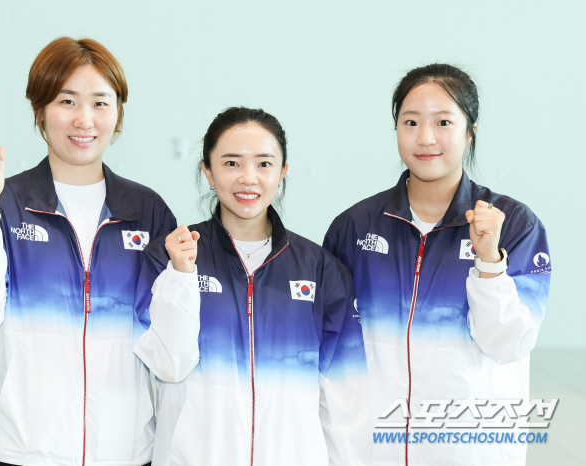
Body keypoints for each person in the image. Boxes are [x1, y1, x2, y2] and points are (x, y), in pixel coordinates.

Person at [0, 37, 176, 466]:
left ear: (118, 115)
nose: (84, 119)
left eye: (101, 103)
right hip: (17, 451)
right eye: (67, 100)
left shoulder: (147, 212)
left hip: (122, 452)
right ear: (40, 110)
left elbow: (169, 336)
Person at [324, 64, 551, 466]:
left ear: (470, 131)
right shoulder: (354, 227)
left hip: (469, 449)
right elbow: (333, 352)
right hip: (369, 450)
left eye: (443, 121)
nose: (425, 137)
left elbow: (508, 343)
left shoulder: (513, 225)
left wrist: (490, 264)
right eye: (410, 122)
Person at [132, 107, 369, 466]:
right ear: (208, 172)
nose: (248, 178)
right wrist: (181, 275)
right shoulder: (169, 256)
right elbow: (170, 365)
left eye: (263, 163)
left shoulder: (321, 269)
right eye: (231, 163)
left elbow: (344, 398)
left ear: (282, 172)